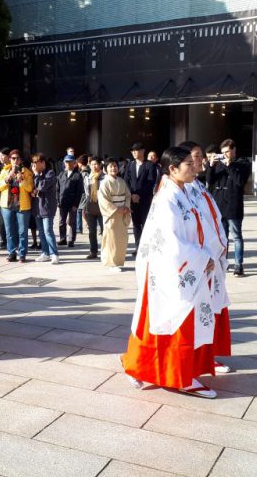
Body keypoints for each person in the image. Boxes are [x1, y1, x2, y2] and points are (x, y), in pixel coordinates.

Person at [121, 147, 222, 399]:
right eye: (188, 163)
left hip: (185, 266)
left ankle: (149, 369)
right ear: (172, 169)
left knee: (162, 325)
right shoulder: (167, 198)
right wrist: (201, 258)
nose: (194, 166)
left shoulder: (184, 192)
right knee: (173, 323)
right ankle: (179, 376)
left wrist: (210, 253)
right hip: (171, 270)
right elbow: (170, 241)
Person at [182, 141, 232, 374]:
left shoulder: (198, 186)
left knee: (212, 310)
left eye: (200, 157)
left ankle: (208, 356)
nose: (200, 161)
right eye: (195, 157)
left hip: (212, 258)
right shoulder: (181, 190)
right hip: (197, 261)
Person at [205, 138, 252, 277]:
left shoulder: (242, 163)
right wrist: (211, 166)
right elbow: (210, 181)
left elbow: (240, 181)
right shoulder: (219, 164)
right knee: (222, 237)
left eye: (227, 152)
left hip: (233, 205)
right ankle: (223, 263)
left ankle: (238, 265)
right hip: (219, 205)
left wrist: (229, 165)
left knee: (236, 236)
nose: (225, 155)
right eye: (223, 152)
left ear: (234, 150)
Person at [0, 149, 34, 262]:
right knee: (10, 231)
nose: (15, 160)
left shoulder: (26, 172)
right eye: (13, 158)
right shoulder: (4, 171)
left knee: (22, 232)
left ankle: (22, 253)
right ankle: (12, 253)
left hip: (22, 206)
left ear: (21, 160)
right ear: (10, 159)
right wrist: (7, 179)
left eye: (17, 158)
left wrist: (21, 180)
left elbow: (30, 188)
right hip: (7, 206)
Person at [124, 142, 159, 253]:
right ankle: (138, 247)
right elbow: (126, 180)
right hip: (133, 199)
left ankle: (147, 247)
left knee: (145, 224)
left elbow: (150, 182)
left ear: (143, 151)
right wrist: (132, 194)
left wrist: (139, 195)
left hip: (145, 199)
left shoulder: (150, 165)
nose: (134, 152)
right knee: (135, 224)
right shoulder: (130, 165)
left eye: (136, 150)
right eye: (132, 151)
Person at [99, 158, 131, 272]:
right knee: (111, 238)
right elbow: (103, 200)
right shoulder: (104, 183)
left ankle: (118, 262)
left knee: (121, 239)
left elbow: (127, 195)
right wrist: (116, 209)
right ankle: (111, 263)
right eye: (110, 166)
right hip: (112, 214)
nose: (113, 168)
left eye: (115, 166)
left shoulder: (121, 181)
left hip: (122, 212)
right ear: (105, 169)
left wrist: (126, 206)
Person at [31, 152, 59, 264]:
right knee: (41, 232)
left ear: (42, 163)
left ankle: (54, 254)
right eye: (33, 163)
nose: (33, 165)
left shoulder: (50, 173)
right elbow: (33, 187)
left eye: (35, 163)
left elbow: (42, 186)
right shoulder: (35, 175)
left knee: (48, 231)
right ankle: (45, 253)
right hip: (37, 207)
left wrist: (36, 176)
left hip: (47, 207)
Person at [56, 154, 83, 247]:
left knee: (72, 222)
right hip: (62, 202)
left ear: (74, 163)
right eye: (66, 162)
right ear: (64, 163)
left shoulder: (77, 175)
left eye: (70, 162)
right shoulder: (61, 174)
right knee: (61, 221)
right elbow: (57, 189)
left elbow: (79, 191)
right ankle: (62, 238)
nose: (68, 164)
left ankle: (71, 239)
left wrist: (76, 204)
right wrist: (58, 201)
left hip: (72, 203)